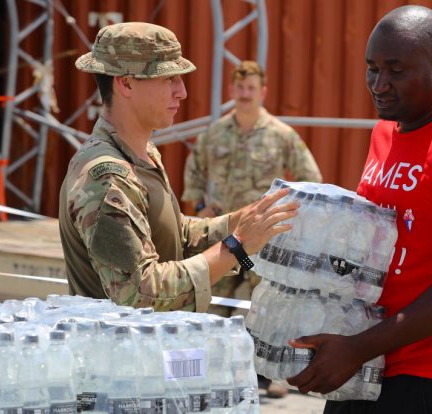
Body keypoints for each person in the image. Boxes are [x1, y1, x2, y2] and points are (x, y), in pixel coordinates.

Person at [287, 5, 432, 414]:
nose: (379, 84)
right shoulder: (384, 133)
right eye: (371, 69)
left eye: (396, 71)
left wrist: (360, 346)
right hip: (363, 368)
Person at [58, 22, 299, 314]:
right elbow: (140, 293)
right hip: (121, 355)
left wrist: (238, 222)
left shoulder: (141, 155)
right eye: (169, 79)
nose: (182, 92)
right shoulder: (108, 176)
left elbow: (173, 236)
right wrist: (237, 246)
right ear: (126, 83)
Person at [181, 60, 322, 397]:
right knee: (214, 302)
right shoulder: (215, 134)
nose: (245, 94)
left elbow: (311, 179)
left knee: (265, 306)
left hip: (265, 242)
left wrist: (284, 214)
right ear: (232, 91)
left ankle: (266, 376)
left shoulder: (281, 135)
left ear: (263, 92)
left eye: (251, 89)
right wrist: (201, 207)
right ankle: (206, 371)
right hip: (227, 239)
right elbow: (193, 173)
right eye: (240, 88)